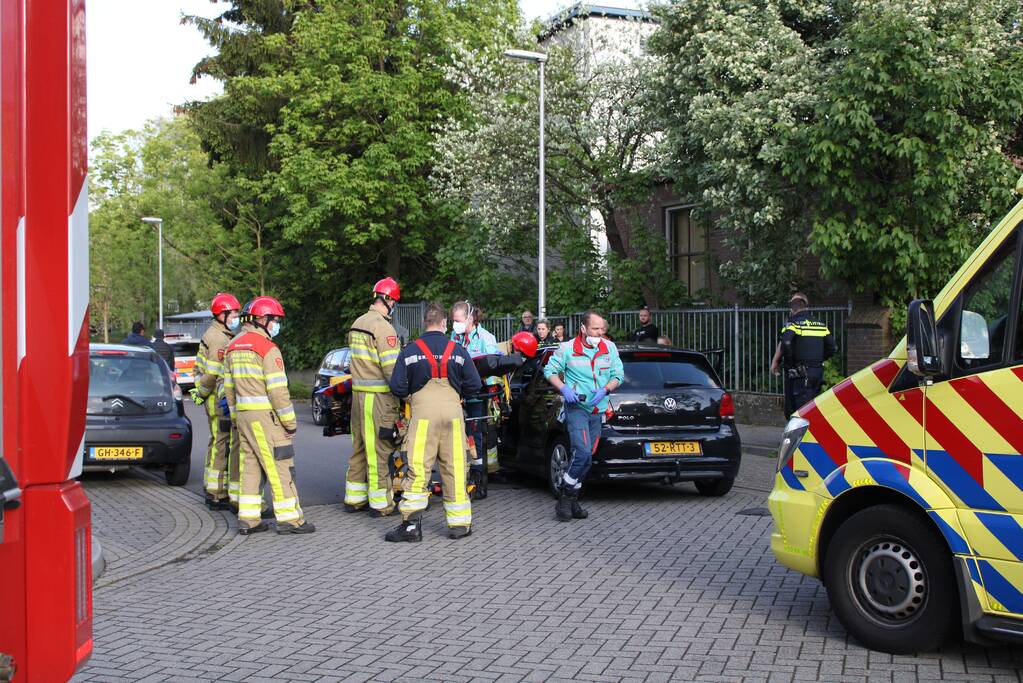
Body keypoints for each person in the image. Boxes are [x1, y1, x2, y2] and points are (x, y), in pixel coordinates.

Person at [385, 303, 483, 542]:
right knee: (455, 468)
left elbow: (397, 386)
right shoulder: (458, 350)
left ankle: (411, 528)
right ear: (444, 323)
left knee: (418, 470)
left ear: (424, 323)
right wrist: (456, 394)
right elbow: (474, 385)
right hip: (452, 416)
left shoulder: (409, 351)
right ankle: (459, 525)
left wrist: (413, 395)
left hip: (423, 416)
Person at [223, 295, 314, 535]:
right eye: (275, 320)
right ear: (262, 319)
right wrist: (290, 423)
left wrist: (235, 416)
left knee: (250, 466)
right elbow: (278, 392)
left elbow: (228, 389)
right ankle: (290, 520)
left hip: (243, 416)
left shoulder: (232, 346)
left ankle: (248, 519)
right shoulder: (267, 348)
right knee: (280, 466)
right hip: (265, 418)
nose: (276, 325)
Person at [544, 311, 623, 522]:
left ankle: (572, 499)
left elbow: (618, 375)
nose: (599, 333)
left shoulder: (609, 348)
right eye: (595, 329)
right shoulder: (567, 348)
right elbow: (549, 371)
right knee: (582, 452)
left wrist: (605, 389)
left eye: (602, 329)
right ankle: (565, 498)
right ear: (583, 328)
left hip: (597, 410)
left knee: (587, 458)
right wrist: (564, 388)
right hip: (577, 408)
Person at [344, 277, 402, 516]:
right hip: (377, 399)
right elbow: (392, 370)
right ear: (388, 300)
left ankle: (354, 498)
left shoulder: (357, 323)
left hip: (358, 397)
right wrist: (404, 393)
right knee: (379, 450)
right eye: (394, 302)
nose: (394, 306)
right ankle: (381, 504)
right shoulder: (384, 328)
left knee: (358, 448)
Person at [190, 293, 242, 509]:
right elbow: (212, 373)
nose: (237, 317)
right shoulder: (220, 339)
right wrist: (201, 394)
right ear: (222, 314)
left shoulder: (216, 333)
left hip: (212, 397)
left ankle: (213, 487)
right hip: (216, 399)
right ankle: (217, 492)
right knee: (222, 443)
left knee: (216, 442)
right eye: (234, 313)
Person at [451, 300, 499, 495]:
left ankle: (479, 478)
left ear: (469, 318)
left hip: (478, 395)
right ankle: (461, 473)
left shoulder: (486, 338)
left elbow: (493, 367)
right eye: (453, 320)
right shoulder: (455, 337)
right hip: (457, 393)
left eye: (458, 320)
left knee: (475, 434)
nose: (455, 324)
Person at [770, 293, 837, 418]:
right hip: (817, 372)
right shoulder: (820, 325)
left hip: (799, 373)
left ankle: (800, 430)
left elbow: (785, 342)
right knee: (812, 407)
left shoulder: (793, 324)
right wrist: (819, 360)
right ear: (806, 307)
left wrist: (790, 362)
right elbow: (832, 348)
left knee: (797, 411)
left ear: (792, 309)